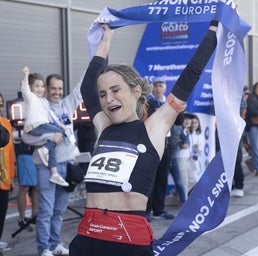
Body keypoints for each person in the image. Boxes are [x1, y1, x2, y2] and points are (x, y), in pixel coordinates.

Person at [69, 20, 218, 256]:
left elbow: (191, 74)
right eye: (104, 94)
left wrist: (214, 28)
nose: (108, 99)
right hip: (88, 236)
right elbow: (88, 86)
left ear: (136, 91)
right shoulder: (103, 126)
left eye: (116, 90)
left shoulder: (153, 127)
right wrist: (106, 39)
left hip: (127, 241)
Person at [22, 72, 83, 256]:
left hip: (68, 165)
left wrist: (95, 59)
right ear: (46, 89)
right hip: (46, 166)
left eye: (60, 89)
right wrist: (49, 136)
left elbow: (80, 89)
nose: (57, 92)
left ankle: (55, 243)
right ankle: (44, 248)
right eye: (53, 88)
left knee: (59, 210)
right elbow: (25, 136)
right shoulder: (39, 105)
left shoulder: (67, 104)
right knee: (46, 211)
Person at [21, 67, 69, 187]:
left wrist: (61, 125)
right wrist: (26, 74)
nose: (40, 89)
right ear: (31, 87)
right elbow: (24, 88)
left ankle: (54, 173)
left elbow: (52, 116)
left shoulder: (44, 101)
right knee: (58, 134)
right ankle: (45, 149)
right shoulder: (30, 97)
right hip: (35, 126)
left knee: (54, 141)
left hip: (44, 125)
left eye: (42, 86)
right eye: (37, 86)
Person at [145, 79, 174, 220]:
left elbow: (179, 121)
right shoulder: (148, 103)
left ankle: (159, 209)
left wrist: (179, 111)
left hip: (167, 142)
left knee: (163, 177)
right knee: (151, 177)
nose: (157, 88)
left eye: (160, 86)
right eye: (155, 86)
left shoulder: (170, 103)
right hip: (152, 143)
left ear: (165, 88)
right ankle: (146, 210)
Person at [0, 92, 15, 251]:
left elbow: (10, 152)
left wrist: (11, 176)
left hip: (3, 178)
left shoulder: (5, 123)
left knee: (2, 213)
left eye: (1, 104)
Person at [15, 140, 38, 230]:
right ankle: (22, 218)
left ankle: (34, 216)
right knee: (25, 186)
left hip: (37, 148)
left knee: (36, 186)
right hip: (24, 149)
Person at [189, 114, 204, 180]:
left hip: (196, 159)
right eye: (192, 123)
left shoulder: (200, 134)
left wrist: (198, 148)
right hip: (188, 159)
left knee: (197, 176)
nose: (193, 124)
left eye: (195, 123)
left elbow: (202, 147)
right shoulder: (187, 133)